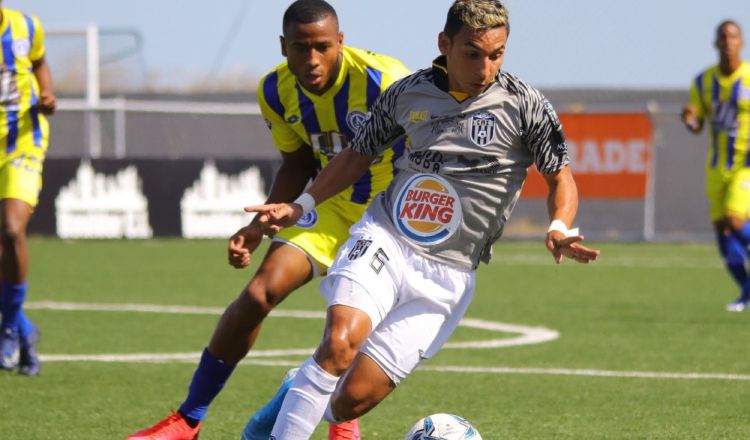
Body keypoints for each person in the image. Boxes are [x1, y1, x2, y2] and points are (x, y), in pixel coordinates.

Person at [244, 1, 600, 438]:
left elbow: (560, 178)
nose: (485, 67)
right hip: (386, 239)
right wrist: (302, 205)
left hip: (449, 276)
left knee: (349, 400)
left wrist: (559, 225)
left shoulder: (525, 105)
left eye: (497, 54)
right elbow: (357, 155)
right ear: (444, 44)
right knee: (339, 343)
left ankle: (295, 389)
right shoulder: (406, 93)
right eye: (472, 53)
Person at [125, 1, 409, 439]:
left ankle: (342, 419)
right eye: (300, 48)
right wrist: (259, 226)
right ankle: (187, 419)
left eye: (322, 47)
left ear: (340, 43)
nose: (311, 60)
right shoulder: (276, 91)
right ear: (283, 46)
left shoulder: (385, 82)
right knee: (258, 294)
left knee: (349, 323)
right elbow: (296, 163)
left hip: (390, 219)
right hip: (327, 208)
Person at [0, 2, 56, 376]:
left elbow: (38, 63)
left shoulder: (25, 27)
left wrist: (47, 93)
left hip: (22, 141)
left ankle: (7, 328)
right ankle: (23, 329)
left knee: (11, 229)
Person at [682, 20, 750, 312]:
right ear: (716, 43)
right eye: (723, 36)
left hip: (745, 166)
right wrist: (690, 121)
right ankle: (746, 293)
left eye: (733, 36)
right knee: (722, 232)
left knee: (735, 220)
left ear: (742, 43)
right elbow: (697, 122)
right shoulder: (703, 81)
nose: (728, 41)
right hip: (716, 166)